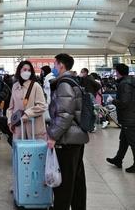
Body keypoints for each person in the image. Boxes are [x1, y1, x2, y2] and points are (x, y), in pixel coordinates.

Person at [47, 54, 89, 210]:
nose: (54, 67)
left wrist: (53, 135)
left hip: (68, 139)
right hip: (76, 137)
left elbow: (65, 114)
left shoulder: (64, 84)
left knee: (64, 182)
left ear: (61, 65)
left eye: (55, 64)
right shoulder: (73, 81)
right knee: (77, 179)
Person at [106, 64, 135, 173]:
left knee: (134, 142)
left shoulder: (125, 84)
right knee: (123, 140)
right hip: (132, 115)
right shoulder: (132, 81)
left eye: (115, 71)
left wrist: (112, 100)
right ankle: (118, 159)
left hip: (129, 117)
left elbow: (124, 102)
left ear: (118, 72)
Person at [7, 61, 47, 140]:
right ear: (19, 71)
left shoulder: (36, 86)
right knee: (21, 151)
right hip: (18, 129)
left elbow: (42, 106)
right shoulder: (15, 86)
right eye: (24, 69)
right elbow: (11, 108)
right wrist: (10, 122)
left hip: (34, 128)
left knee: (33, 151)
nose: (27, 72)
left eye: (29, 70)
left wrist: (27, 114)